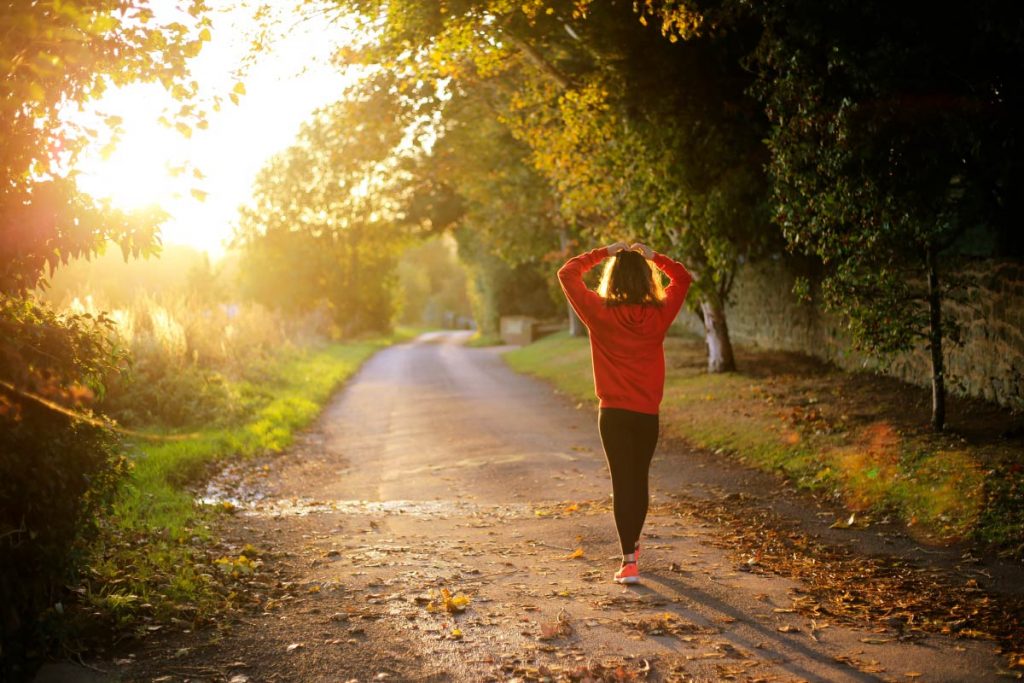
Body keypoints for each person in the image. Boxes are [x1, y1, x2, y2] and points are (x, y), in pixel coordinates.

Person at [557, 241, 693, 584]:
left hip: (613, 414)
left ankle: (629, 560)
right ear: (647, 279)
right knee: (639, 480)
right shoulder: (659, 314)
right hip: (646, 414)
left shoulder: (599, 312)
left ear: (612, 279)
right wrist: (654, 257)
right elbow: (683, 278)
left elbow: (567, 273)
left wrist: (604, 252)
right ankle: (632, 545)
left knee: (623, 483)